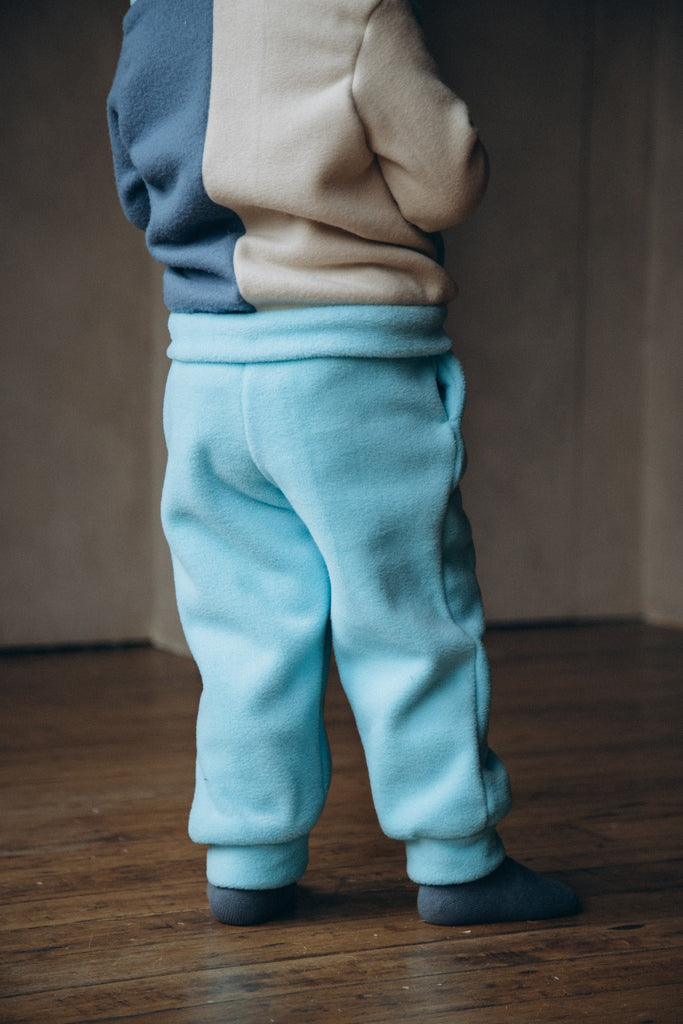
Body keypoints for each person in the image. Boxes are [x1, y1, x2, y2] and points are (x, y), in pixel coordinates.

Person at [107, 0, 579, 927]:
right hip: (348, 363)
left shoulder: (151, 16)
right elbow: (444, 183)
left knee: (241, 628)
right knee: (405, 611)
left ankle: (248, 860)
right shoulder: (352, 8)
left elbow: (137, 190)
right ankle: (457, 858)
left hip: (205, 368)